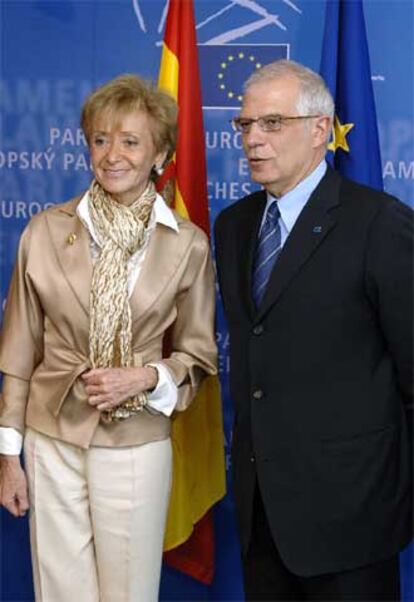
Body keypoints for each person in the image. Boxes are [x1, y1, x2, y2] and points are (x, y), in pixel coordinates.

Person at [0, 74, 217, 602]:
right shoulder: (44, 232)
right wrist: (8, 455)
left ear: (159, 153)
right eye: (100, 139)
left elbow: (199, 354)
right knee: (59, 591)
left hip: (138, 441)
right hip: (51, 437)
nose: (112, 155)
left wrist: (145, 377)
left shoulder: (188, 245)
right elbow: (18, 350)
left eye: (130, 141)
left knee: (129, 593)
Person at [214, 59, 412, 601]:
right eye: (246, 125)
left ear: (320, 130)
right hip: (263, 518)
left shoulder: (379, 223)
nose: (253, 139)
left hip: (355, 519)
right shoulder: (233, 227)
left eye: (272, 124)